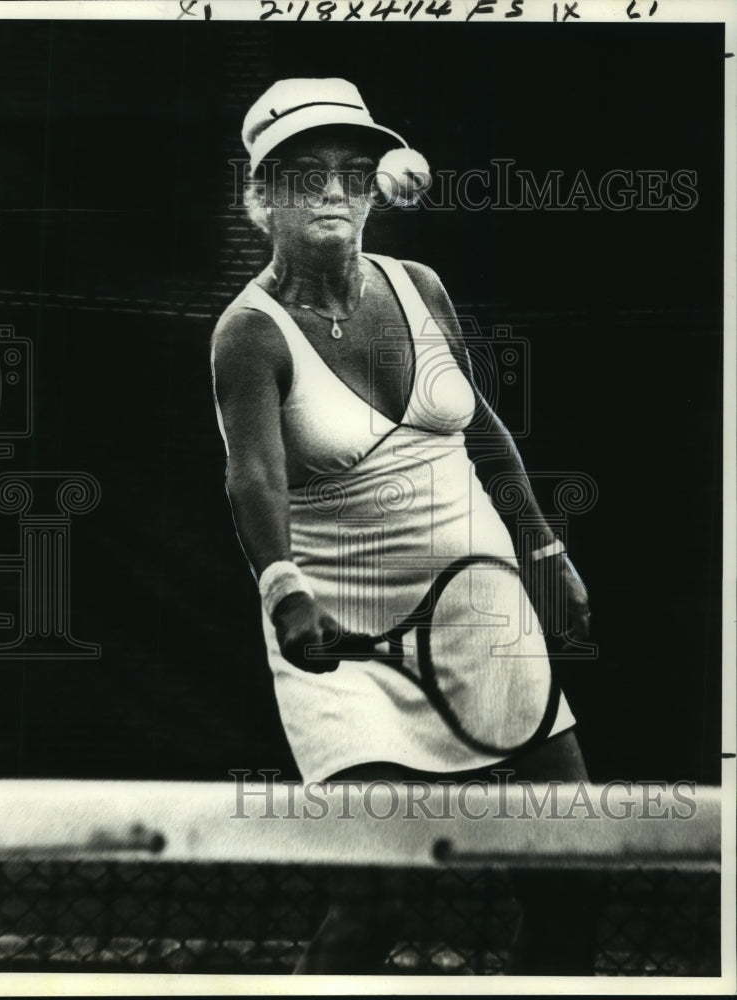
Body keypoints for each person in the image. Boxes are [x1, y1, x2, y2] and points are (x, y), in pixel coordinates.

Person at [211, 78, 599, 975]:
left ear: (377, 185)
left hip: (483, 616)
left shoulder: (421, 287)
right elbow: (253, 477)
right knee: (374, 901)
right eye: (304, 175)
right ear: (259, 196)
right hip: (340, 641)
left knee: (574, 875)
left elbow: (482, 427)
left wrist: (544, 548)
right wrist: (284, 590)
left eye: (353, 171)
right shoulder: (249, 334)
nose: (335, 192)